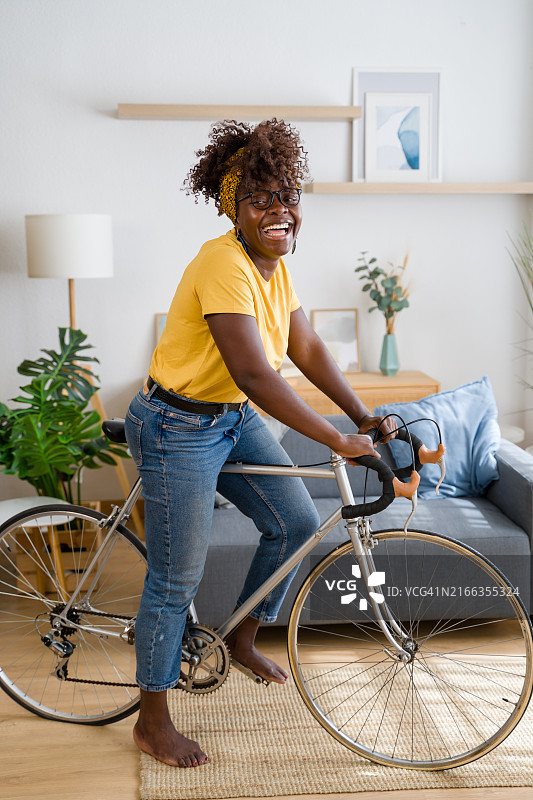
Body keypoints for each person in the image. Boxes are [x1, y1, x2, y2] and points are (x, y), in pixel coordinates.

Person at [124, 118, 396, 769]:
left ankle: (242, 639)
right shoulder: (222, 262)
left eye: (286, 196)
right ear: (234, 210)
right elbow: (253, 370)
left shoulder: (273, 266)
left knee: (296, 522)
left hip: (229, 416)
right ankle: (151, 719)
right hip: (177, 425)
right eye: (260, 199)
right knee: (175, 575)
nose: (278, 209)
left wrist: (366, 414)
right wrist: (334, 437)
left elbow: (302, 346)